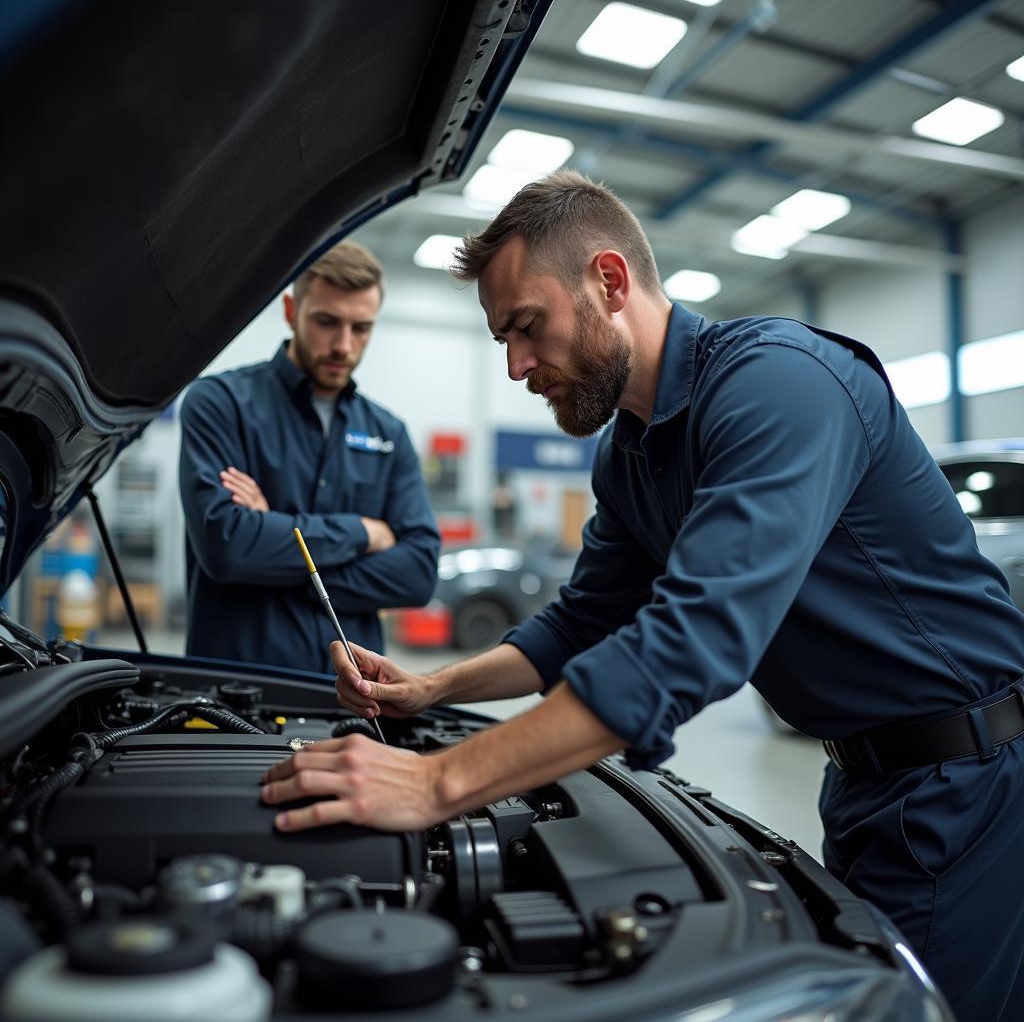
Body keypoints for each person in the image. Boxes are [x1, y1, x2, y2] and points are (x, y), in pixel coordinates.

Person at [259, 172, 1024, 1018]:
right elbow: (582, 623)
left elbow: (696, 636)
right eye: (500, 340)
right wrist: (433, 686)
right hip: (865, 781)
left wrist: (438, 784)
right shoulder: (629, 452)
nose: (515, 366)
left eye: (526, 327)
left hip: (972, 781)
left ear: (609, 282)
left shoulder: (781, 385)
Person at [179, 240, 440, 673]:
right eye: (326, 322)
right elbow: (228, 547)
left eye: (361, 328)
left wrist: (273, 546)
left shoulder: (387, 433)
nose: (343, 345)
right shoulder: (219, 404)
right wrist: (362, 533)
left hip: (351, 701)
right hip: (235, 695)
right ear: (290, 311)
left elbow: (418, 573)